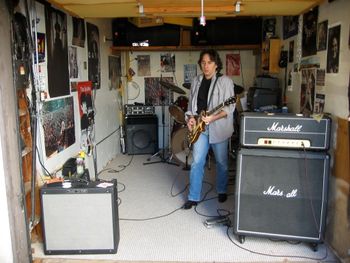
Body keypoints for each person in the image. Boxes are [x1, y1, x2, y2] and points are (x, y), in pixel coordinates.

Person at [183, 49, 235, 209]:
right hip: (200, 127)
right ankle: (193, 196)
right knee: (197, 162)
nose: (206, 66)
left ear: (216, 64)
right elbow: (192, 103)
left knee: (221, 162)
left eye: (209, 62)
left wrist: (213, 118)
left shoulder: (225, 81)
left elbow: (229, 107)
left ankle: (221, 190)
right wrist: (190, 117)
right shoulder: (196, 81)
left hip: (218, 127)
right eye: (203, 63)